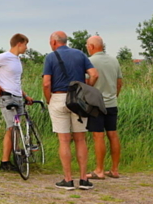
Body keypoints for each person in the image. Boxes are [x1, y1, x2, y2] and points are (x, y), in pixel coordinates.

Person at [42, 31, 98, 190]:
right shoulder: (80, 54)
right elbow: (94, 74)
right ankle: (83, 179)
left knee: (64, 140)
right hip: (78, 99)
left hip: (59, 97)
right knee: (80, 139)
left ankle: (68, 180)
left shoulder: (50, 57)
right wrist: (86, 89)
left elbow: (46, 83)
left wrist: (49, 99)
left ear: (54, 42)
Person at [0, 34, 32, 173]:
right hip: (6, 97)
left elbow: (14, 81)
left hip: (17, 96)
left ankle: (15, 158)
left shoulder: (17, 60)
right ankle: (5, 162)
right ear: (19, 44)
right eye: (25, 44)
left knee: (17, 128)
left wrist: (25, 95)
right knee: (12, 128)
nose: (26, 48)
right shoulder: (4, 57)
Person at [85, 35, 124, 179]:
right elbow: (119, 83)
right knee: (113, 134)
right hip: (112, 103)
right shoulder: (114, 60)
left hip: (96, 104)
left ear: (92, 46)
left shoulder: (89, 61)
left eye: (87, 45)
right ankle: (114, 169)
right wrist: (114, 96)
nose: (87, 48)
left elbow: (86, 82)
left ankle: (99, 170)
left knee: (98, 136)